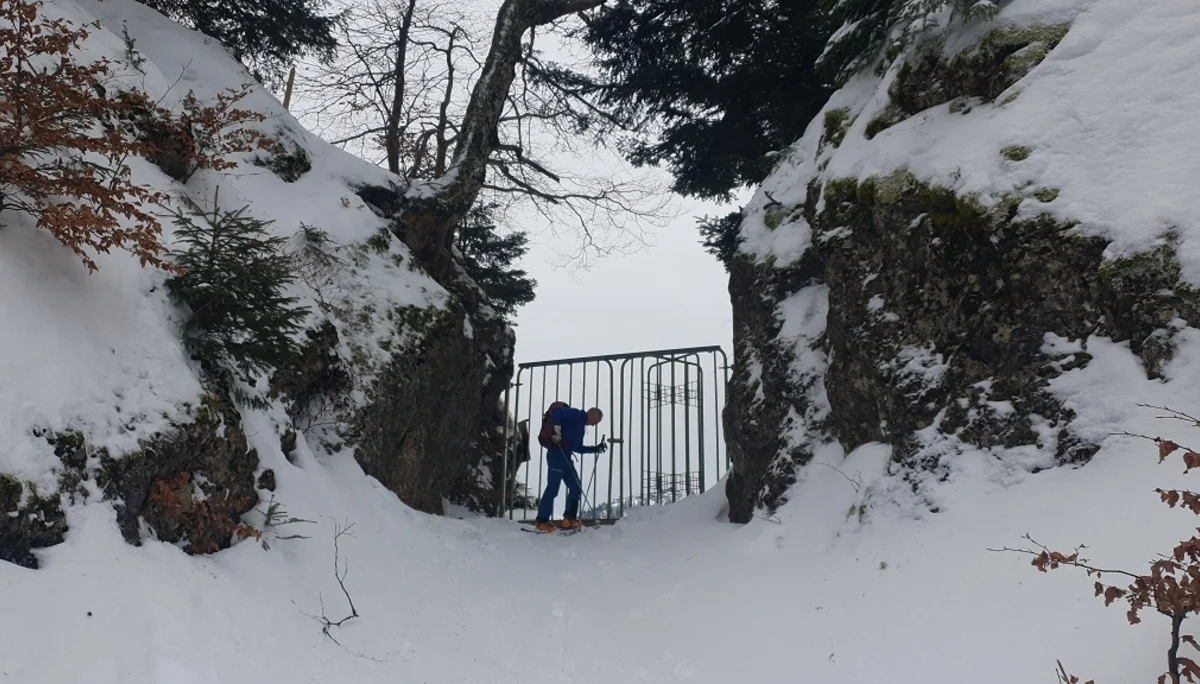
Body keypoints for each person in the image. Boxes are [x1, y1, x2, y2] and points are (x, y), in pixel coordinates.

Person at [534, 405, 606, 532]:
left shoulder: (581, 428)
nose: (593, 425)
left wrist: (595, 449)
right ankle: (542, 521)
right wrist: (557, 429)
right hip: (556, 455)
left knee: (575, 487)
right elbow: (557, 412)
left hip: (566, 458)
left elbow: (577, 448)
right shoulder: (577, 415)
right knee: (553, 488)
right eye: (595, 422)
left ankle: (569, 519)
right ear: (591, 414)